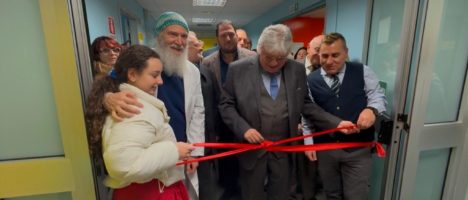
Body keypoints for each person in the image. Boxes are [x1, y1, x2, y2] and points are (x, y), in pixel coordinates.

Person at [219, 24, 358, 200]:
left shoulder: (296, 70)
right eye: (269, 57)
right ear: (259, 49)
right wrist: (244, 128)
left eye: (280, 58)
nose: (274, 63)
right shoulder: (238, 69)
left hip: (283, 151)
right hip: (251, 152)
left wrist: (336, 123)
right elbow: (226, 105)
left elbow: (306, 104)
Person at [103, 11, 205, 199]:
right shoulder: (141, 61)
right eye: (172, 34)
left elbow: (198, 110)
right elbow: (106, 85)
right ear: (159, 36)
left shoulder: (192, 71)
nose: (179, 41)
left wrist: (195, 150)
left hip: (181, 149)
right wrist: (108, 97)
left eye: (183, 36)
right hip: (149, 150)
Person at [85, 44, 194, 199]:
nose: (160, 81)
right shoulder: (133, 110)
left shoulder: (132, 103)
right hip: (148, 193)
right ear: (133, 75)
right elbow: (124, 166)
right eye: (155, 75)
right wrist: (174, 151)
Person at [307, 32, 386, 200]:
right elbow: (308, 114)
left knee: (356, 196)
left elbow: (377, 96)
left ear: (346, 52)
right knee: (331, 195)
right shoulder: (310, 80)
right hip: (326, 150)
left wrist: (372, 109)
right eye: (324, 56)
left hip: (358, 150)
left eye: (335, 55)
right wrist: (308, 143)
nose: (329, 61)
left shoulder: (363, 71)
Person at [201, 19, 256, 200]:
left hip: (247, 117)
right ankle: (229, 188)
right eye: (223, 35)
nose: (228, 38)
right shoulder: (208, 63)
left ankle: (246, 188)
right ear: (217, 38)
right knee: (225, 157)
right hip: (221, 120)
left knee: (248, 157)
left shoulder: (251, 58)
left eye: (231, 34)